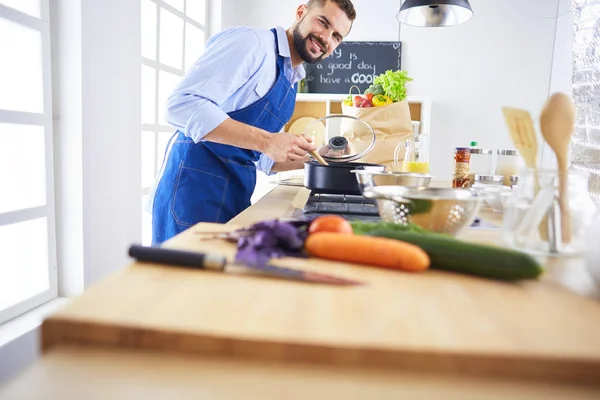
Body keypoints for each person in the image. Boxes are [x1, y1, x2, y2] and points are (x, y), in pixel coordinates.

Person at [150, 0, 356, 244]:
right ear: (301, 12)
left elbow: (265, 158)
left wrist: (315, 156)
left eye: (336, 37)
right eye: (323, 22)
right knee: (180, 280)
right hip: (192, 190)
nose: (326, 38)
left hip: (234, 193)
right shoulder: (252, 44)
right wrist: (267, 140)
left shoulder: (291, 80)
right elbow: (181, 105)